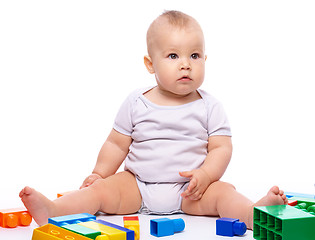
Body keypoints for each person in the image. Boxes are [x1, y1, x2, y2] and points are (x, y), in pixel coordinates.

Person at [19, 10, 287, 229]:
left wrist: (205, 176)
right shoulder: (137, 102)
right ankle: (55, 210)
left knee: (224, 194)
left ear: (205, 59)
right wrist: (100, 173)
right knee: (99, 192)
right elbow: (116, 144)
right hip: (136, 185)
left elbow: (221, 147)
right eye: (173, 56)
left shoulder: (209, 106)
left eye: (194, 55)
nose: (186, 64)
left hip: (190, 191)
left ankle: (253, 214)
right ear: (150, 64)